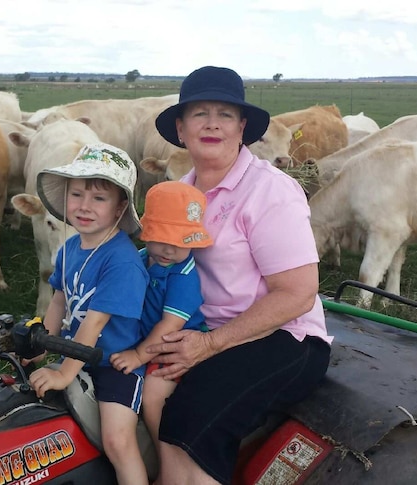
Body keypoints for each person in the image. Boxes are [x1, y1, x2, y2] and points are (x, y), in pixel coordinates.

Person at [147, 66, 333, 485]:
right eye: (199, 114)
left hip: (283, 335)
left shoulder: (270, 190)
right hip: (202, 325)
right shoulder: (183, 190)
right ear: (180, 128)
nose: (212, 123)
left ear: (242, 127)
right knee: (137, 384)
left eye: (225, 114)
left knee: (192, 418)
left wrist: (209, 345)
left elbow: (298, 293)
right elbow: (160, 258)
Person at [29, 142, 151, 485]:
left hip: (114, 363)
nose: (84, 206)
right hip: (73, 351)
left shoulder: (121, 260)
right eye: (77, 194)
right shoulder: (70, 248)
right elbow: (58, 302)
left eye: (98, 198)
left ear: (119, 208)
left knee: (117, 440)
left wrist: (65, 374)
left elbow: (96, 322)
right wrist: (41, 343)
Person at [109, 181, 212, 452]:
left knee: (153, 395)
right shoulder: (141, 259)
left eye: (180, 243)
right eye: (162, 239)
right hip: (143, 338)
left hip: (173, 347)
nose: (169, 250)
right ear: (146, 232)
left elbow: (170, 325)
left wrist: (139, 356)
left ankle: (164, 455)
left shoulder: (184, 277)